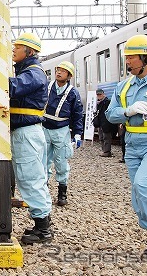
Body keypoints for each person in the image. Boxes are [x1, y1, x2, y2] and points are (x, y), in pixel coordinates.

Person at [105, 34, 147, 256]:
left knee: (144, 185)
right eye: (127, 57)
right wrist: (127, 111)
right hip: (132, 145)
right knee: (138, 194)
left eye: (132, 57)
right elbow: (110, 115)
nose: (127, 62)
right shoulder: (124, 86)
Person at [9, 32, 53, 244]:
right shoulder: (28, 71)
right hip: (26, 132)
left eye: (18, 47)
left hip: (27, 133)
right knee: (31, 176)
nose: (14, 49)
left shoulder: (33, 73)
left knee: (30, 178)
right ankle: (42, 223)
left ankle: (43, 229)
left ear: (30, 51)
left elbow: (13, 87)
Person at [42, 61, 83, 206]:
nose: (59, 72)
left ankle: (62, 192)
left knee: (61, 162)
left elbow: (77, 114)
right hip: (44, 127)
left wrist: (78, 133)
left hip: (61, 130)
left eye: (63, 71)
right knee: (43, 161)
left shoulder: (73, 93)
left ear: (69, 76)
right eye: (58, 70)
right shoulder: (47, 86)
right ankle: (43, 191)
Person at [93, 88, 118, 157]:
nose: (99, 95)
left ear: (103, 94)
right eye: (98, 94)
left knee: (106, 137)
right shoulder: (98, 103)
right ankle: (104, 151)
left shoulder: (107, 102)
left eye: (100, 94)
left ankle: (107, 151)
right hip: (100, 123)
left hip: (106, 123)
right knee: (101, 137)